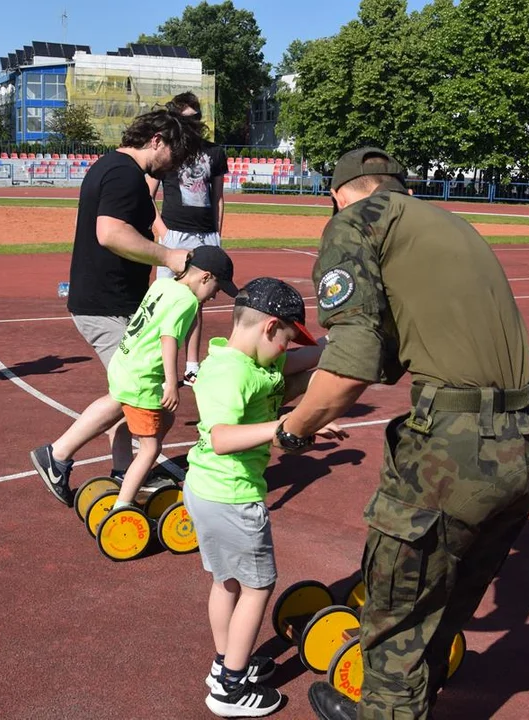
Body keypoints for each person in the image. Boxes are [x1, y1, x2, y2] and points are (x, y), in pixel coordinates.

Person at [272, 148, 529, 720]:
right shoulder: (451, 224)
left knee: (395, 622)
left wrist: (293, 429)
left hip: (456, 449)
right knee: (443, 607)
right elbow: (395, 349)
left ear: (338, 194)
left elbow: (351, 367)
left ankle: (387, 708)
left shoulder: (354, 222)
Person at [185, 277, 339, 719]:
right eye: (286, 341)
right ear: (271, 328)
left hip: (211, 490)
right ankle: (230, 688)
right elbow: (221, 437)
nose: (287, 353)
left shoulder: (249, 362)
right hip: (231, 495)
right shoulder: (230, 371)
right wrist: (285, 428)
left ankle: (225, 664)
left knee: (226, 581)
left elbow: (306, 362)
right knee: (257, 585)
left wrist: (335, 348)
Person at [62, 108, 207, 480]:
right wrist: (168, 256)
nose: (175, 166)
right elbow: (109, 233)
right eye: (176, 155)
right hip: (104, 304)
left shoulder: (115, 168)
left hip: (113, 302)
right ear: (156, 140)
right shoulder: (124, 173)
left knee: (133, 394)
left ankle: (124, 471)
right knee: (140, 395)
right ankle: (56, 455)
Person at [32, 246, 238, 506]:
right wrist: (171, 382)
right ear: (205, 277)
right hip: (142, 378)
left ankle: (123, 473)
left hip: (124, 361)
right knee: (151, 448)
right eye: (217, 289)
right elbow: (168, 338)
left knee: (161, 416)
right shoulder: (187, 301)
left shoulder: (163, 284)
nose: (214, 296)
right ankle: (123, 504)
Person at [147, 91, 229, 386]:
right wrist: (163, 232)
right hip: (174, 235)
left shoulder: (215, 152)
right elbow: (147, 195)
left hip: (205, 236)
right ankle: (157, 365)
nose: (192, 123)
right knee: (163, 300)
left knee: (196, 303)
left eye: (195, 117)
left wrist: (216, 235)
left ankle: (192, 365)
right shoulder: (167, 152)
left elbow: (218, 198)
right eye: (186, 119)